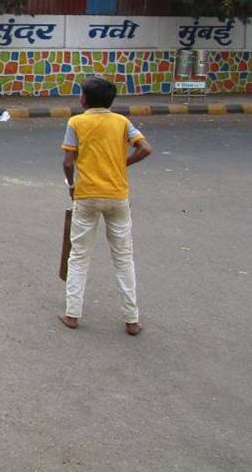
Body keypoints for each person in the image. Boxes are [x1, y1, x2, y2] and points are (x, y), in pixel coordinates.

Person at [60, 76, 153, 335]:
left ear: (85, 99)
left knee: (79, 256)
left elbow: (68, 162)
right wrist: (123, 164)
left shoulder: (76, 122)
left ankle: (72, 314)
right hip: (117, 195)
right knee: (123, 258)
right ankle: (132, 319)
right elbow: (145, 148)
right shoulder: (122, 122)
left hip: (87, 195)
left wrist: (71, 186)